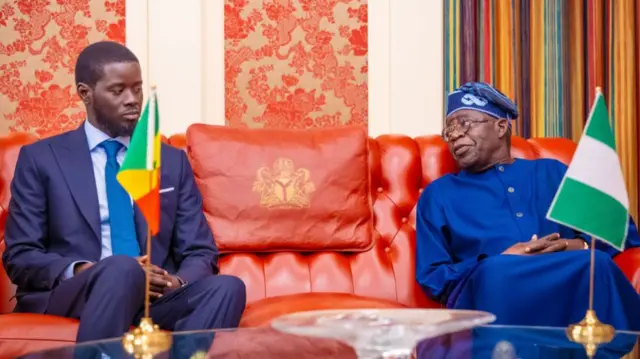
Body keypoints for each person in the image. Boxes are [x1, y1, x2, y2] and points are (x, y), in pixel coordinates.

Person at [2, 41, 246, 342]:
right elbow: (21, 255)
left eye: (137, 89)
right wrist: (88, 270)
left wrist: (175, 281)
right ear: (85, 94)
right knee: (121, 268)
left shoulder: (169, 161)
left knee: (228, 287)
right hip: (79, 293)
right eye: (118, 91)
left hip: (154, 297)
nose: (133, 100)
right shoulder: (42, 159)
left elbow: (199, 250)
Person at [415, 81, 640, 331]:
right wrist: (500, 259)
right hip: (494, 291)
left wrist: (576, 245)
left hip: (565, 282)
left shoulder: (552, 172)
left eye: (465, 123)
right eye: (450, 129)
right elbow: (432, 276)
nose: (455, 134)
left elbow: (619, 230)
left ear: (501, 126)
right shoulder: (440, 194)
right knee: (496, 272)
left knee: (596, 262)